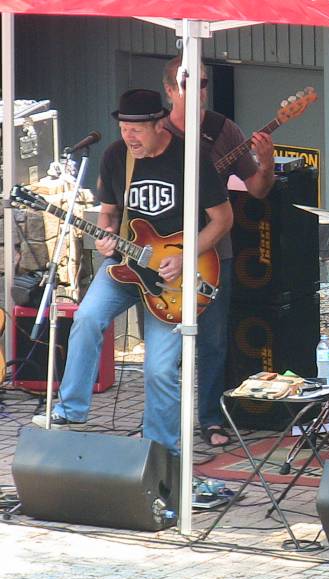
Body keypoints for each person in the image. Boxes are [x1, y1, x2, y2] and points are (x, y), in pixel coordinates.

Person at [32, 89, 232, 454]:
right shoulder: (115, 157)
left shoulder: (191, 159)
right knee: (87, 317)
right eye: (124, 128)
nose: (129, 136)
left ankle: (161, 452)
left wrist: (186, 257)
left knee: (158, 369)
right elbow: (108, 215)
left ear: (160, 124)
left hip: (174, 277)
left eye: (137, 129)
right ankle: (71, 408)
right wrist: (106, 237)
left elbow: (223, 220)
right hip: (125, 265)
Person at [162, 56, 275, 447]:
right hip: (162, 250)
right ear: (169, 90)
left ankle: (210, 419)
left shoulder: (223, 130)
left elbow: (257, 189)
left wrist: (268, 160)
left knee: (212, 339)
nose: (200, 91)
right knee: (164, 340)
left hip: (215, 251)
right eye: (190, 84)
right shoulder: (156, 132)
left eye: (205, 83)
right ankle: (164, 422)